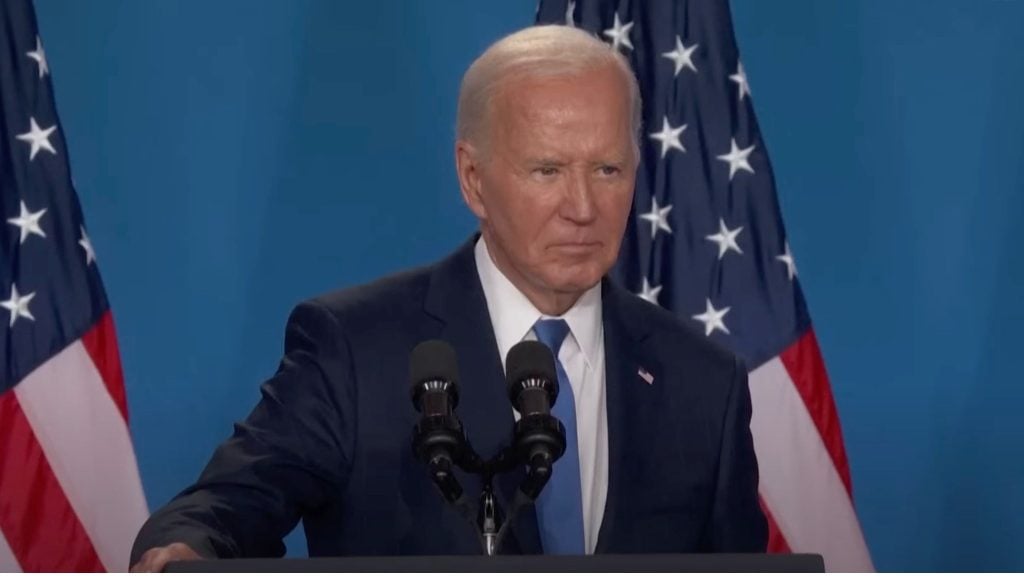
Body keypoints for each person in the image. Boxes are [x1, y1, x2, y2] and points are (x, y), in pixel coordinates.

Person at [130, 24, 767, 571]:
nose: (583, 208)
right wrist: (188, 552)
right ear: (473, 178)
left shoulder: (703, 382)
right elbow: (229, 502)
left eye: (608, 170)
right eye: (547, 171)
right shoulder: (356, 349)